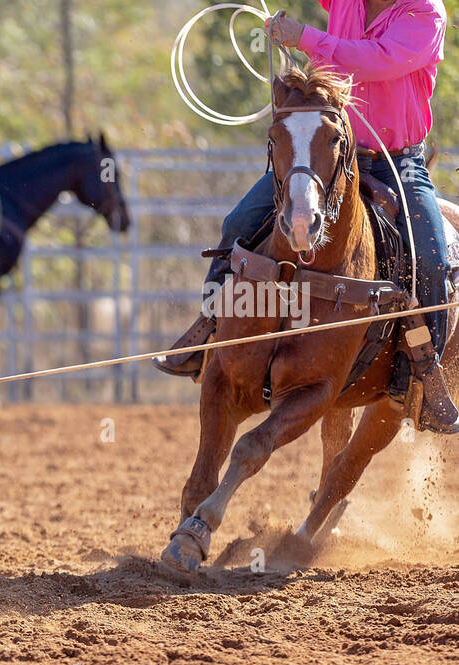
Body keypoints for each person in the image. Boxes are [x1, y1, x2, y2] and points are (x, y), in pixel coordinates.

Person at [156, 0, 458, 434]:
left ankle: (425, 377)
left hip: (397, 162)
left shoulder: (425, 14)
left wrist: (304, 38)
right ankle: (210, 330)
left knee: (431, 257)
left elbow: (372, 62)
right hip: (323, 154)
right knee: (240, 223)